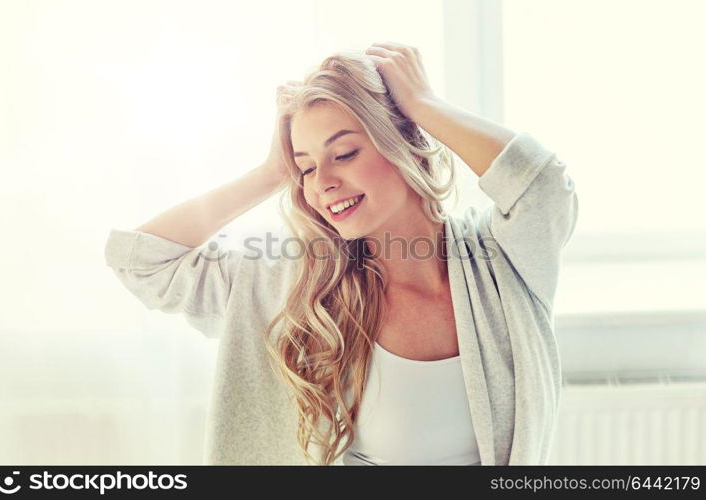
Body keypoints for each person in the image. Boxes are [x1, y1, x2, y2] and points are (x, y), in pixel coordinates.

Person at [104, 41, 579, 466]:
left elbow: (543, 189)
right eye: (306, 168)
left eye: (344, 154)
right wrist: (273, 170)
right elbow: (143, 261)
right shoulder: (292, 285)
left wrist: (424, 105)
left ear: (409, 146)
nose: (322, 184)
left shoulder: (500, 265)